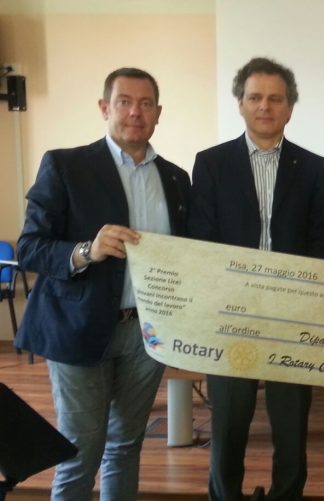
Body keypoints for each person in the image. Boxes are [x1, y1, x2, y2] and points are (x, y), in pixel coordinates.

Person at [14, 67, 190, 500]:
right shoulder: (66, 166)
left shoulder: (176, 179)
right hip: (78, 329)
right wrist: (86, 251)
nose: (135, 112)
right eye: (124, 102)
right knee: (80, 453)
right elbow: (30, 248)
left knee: (126, 447)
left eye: (145, 104)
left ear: (158, 112)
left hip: (147, 334)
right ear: (104, 108)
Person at [189, 57, 324, 501]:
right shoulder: (211, 164)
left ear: (290, 107)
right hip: (232, 316)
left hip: (291, 319)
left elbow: (322, 246)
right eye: (255, 97)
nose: (265, 106)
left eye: (275, 98)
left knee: (291, 429)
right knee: (228, 426)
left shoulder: (313, 167)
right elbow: (203, 242)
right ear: (240, 103)